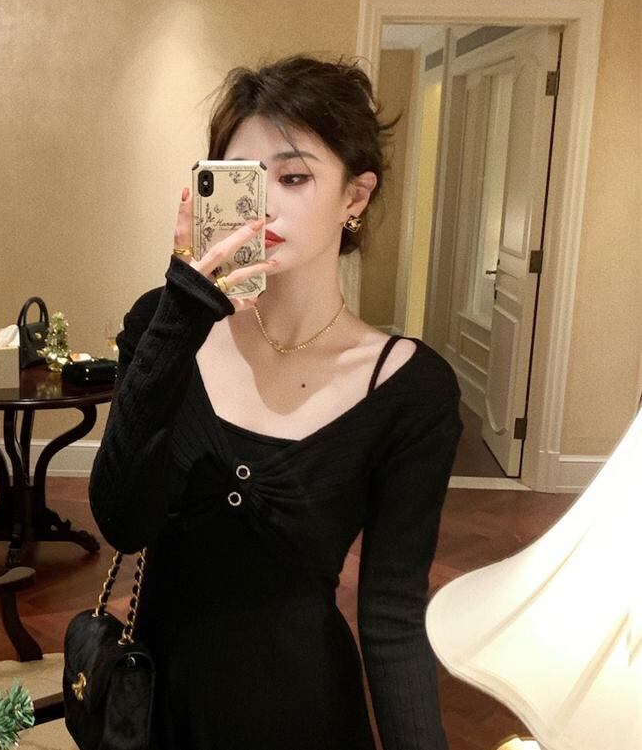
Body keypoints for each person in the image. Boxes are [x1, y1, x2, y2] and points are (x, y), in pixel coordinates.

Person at [88, 55, 464, 750]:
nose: (263, 204)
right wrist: (182, 310)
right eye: (242, 179)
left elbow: (391, 615)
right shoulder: (165, 326)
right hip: (158, 712)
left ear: (355, 196)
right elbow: (122, 518)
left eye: (293, 177)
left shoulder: (409, 388)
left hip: (305, 714)